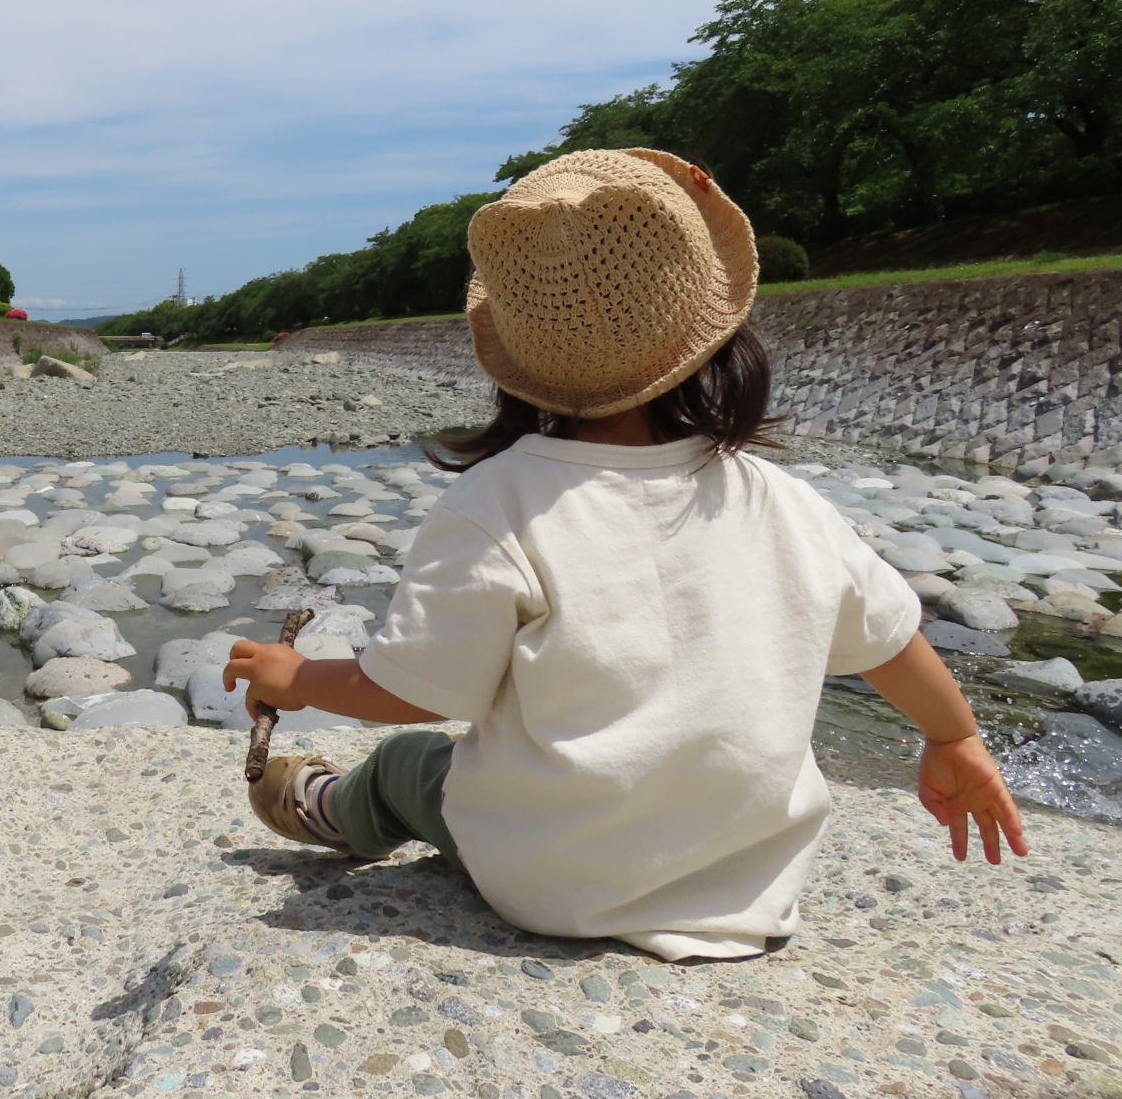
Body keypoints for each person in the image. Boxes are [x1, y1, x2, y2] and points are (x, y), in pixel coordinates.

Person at [224, 148, 1025, 962]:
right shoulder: (777, 497)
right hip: (749, 886)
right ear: (715, 335)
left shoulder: (498, 503)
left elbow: (412, 691)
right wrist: (954, 738)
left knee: (410, 763)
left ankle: (332, 807)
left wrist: (299, 677)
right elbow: (889, 641)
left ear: (516, 355)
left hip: (551, 881)